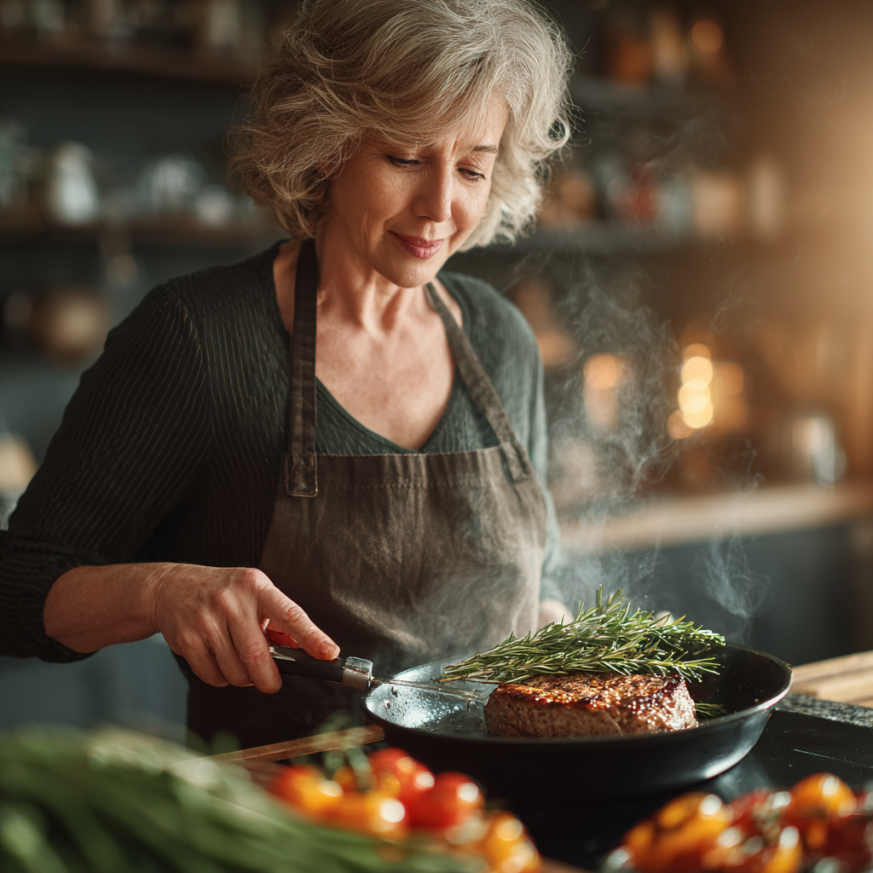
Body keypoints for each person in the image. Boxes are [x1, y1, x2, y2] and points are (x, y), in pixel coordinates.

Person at [0, 0, 573, 748]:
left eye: (472, 166)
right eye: (403, 156)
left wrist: (557, 633)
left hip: (505, 820)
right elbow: (19, 588)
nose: (439, 206)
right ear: (326, 144)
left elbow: (536, 584)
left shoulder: (498, 336)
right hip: (298, 820)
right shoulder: (198, 338)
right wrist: (158, 590)